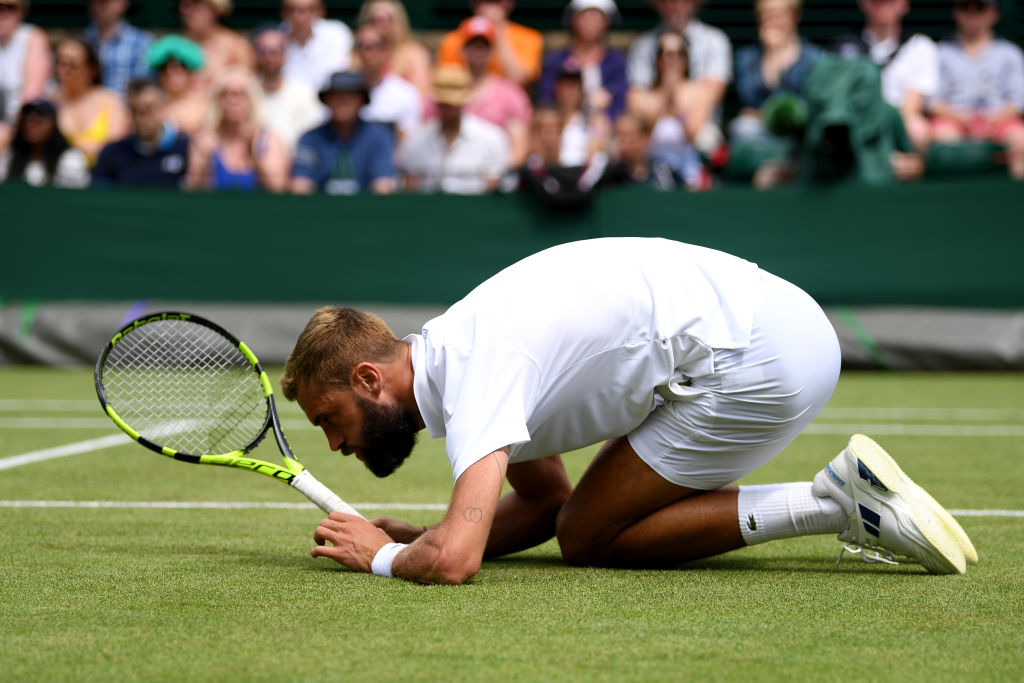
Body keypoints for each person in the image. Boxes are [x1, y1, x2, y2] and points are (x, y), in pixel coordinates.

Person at [280, 237, 976, 585]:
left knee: (589, 537)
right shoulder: (460, 350)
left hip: (759, 356)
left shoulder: (472, 371)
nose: (334, 443)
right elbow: (547, 499)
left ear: (370, 378)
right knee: (580, 522)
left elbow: (457, 562)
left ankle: (834, 503)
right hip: (775, 326)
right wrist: (433, 532)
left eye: (328, 417)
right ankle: (842, 500)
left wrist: (390, 556)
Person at [929, 0, 1024, 179]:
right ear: (956, 13)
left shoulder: (1010, 53)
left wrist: (993, 119)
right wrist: (964, 118)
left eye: (979, 8)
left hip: (1000, 120)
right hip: (954, 120)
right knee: (943, 139)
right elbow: (932, 102)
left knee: (1021, 139)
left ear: (993, 14)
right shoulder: (940, 52)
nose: (972, 15)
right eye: (965, 8)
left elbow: (1019, 102)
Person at [829, 0, 937, 154]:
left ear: (905, 4)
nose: (884, 3)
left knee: (917, 128)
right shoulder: (843, 47)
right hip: (857, 124)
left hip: (898, 126)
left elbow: (910, 108)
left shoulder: (920, 46)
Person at [626, 0, 731, 154]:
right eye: (666, 1)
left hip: (701, 129)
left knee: (706, 139)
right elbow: (637, 103)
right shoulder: (642, 46)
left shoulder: (715, 40)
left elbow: (711, 97)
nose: (674, 6)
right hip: (651, 131)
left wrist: (672, 97)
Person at [433, 15, 531, 167]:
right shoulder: (445, 88)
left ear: (492, 51)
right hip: (448, 173)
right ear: (462, 49)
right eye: (472, 46)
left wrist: (492, 176)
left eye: (483, 47)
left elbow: (519, 149)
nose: (478, 52)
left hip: (491, 178)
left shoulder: (511, 94)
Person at [398, 65, 508, 194]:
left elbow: (494, 188)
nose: (449, 109)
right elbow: (411, 187)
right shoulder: (415, 140)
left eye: (453, 104)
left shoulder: (492, 138)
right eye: (444, 104)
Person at [290, 70, 396, 195]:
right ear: (327, 100)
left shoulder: (379, 136)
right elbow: (300, 185)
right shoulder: (310, 138)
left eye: (350, 95)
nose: (343, 101)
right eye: (336, 95)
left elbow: (383, 186)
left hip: (367, 210)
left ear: (362, 100)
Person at [185, 67, 290, 192]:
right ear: (217, 101)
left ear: (252, 100)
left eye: (240, 94)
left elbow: (278, 189)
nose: (232, 101)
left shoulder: (268, 140)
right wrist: (205, 160)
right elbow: (192, 190)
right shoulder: (205, 140)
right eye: (225, 94)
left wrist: (255, 155)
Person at [626, 31, 710, 188]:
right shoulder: (640, 95)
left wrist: (676, 103)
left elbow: (692, 136)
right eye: (666, 54)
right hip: (651, 166)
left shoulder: (699, 92)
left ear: (685, 59)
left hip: (689, 165)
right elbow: (641, 140)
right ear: (658, 60)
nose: (672, 60)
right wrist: (664, 99)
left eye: (678, 54)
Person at [731, 0, 822, 142]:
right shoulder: (747, 57)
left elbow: (809, 108)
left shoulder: (815, 58)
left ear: (795, 16)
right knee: (744, 127)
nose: (769, 21)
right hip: (759, 135)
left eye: (777, 14)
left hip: (799, 136)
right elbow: (748, 100)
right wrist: (773, 55)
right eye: (764, 14)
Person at [538, 0, 628, 122]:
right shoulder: (555, 61)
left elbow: (621, 102)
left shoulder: (616, 62)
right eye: (586, 17)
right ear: (573, 20)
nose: (591, 23)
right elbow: (545, 100)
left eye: (597, 18)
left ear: (607, 22)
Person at [92, 79, 190, 188]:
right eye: (135, 110)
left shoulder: (185, 150)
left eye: (149, 109)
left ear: (163, 108)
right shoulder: (111, 154)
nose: (142, 118)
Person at [52, 37, 130, 165]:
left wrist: (74, 148)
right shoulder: (49, 102)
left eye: (73, 65)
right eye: (61, 63)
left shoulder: (111, 101)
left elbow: (115, 147)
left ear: (91, 69)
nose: (63, 71)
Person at [251, 24, 325, 153]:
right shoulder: (245, 91)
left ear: (286, 54)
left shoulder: (303, 93)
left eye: (274, 52)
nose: (269, 58)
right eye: (262, 51)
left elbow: (313, 139)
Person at [436, 0, 543, 88]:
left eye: (496, 1)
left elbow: (519, 80)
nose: (488, 6)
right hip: (465, 104)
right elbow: (446, 85)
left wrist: (496, 30)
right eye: (484, 1)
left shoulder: (530, 38)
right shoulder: (453, 39)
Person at [353, 22, 423, 140]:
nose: (367, 53)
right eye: (361, 46)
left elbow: (408, 139)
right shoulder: (341, 92)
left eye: (373, 47)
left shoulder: (405, 93)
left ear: (385, 51)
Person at [0, 98, 89, 187]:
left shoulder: (70, 160)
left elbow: (75, 196)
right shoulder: (10, 157)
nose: (31, 124)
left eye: (38, 119)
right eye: (26, 118)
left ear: (53, 123)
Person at [356, 0, 432, 96]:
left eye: (388, 19)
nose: (382, 25)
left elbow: (421, 94)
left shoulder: (415, 54)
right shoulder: (360, 54)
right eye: (375, 20)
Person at [0, 0, 51, 139]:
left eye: (10, 7)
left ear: (22, 11)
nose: (3, 13)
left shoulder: (32, 37)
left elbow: (32, 96)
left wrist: (11, 134)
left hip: (25, 129)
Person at [179, 0, 254, 91]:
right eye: (183, 4)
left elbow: (245, 90)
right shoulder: (177, 46)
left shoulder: (237, 47)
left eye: (195, 4)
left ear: (214, 9)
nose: (185, 10)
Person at [83, 0, 153, 97]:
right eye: (98, 1)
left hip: (126, 110)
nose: (102, 6)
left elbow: (142, 93)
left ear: (124, 3)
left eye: (107, 2)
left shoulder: (142, 43)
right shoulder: (82, 42)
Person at [281, 0, 354, 92]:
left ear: (320, 11)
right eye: (292, 10)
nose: (299, 16)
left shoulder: (339, 33)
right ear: (283, 13)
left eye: (309, 9)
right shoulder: (273, 41)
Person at [147, 35, 209, 137]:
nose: (171, 72)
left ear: (189, 71)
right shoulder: (150, 105)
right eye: (164, 67)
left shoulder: (205, 105)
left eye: (179, 67)